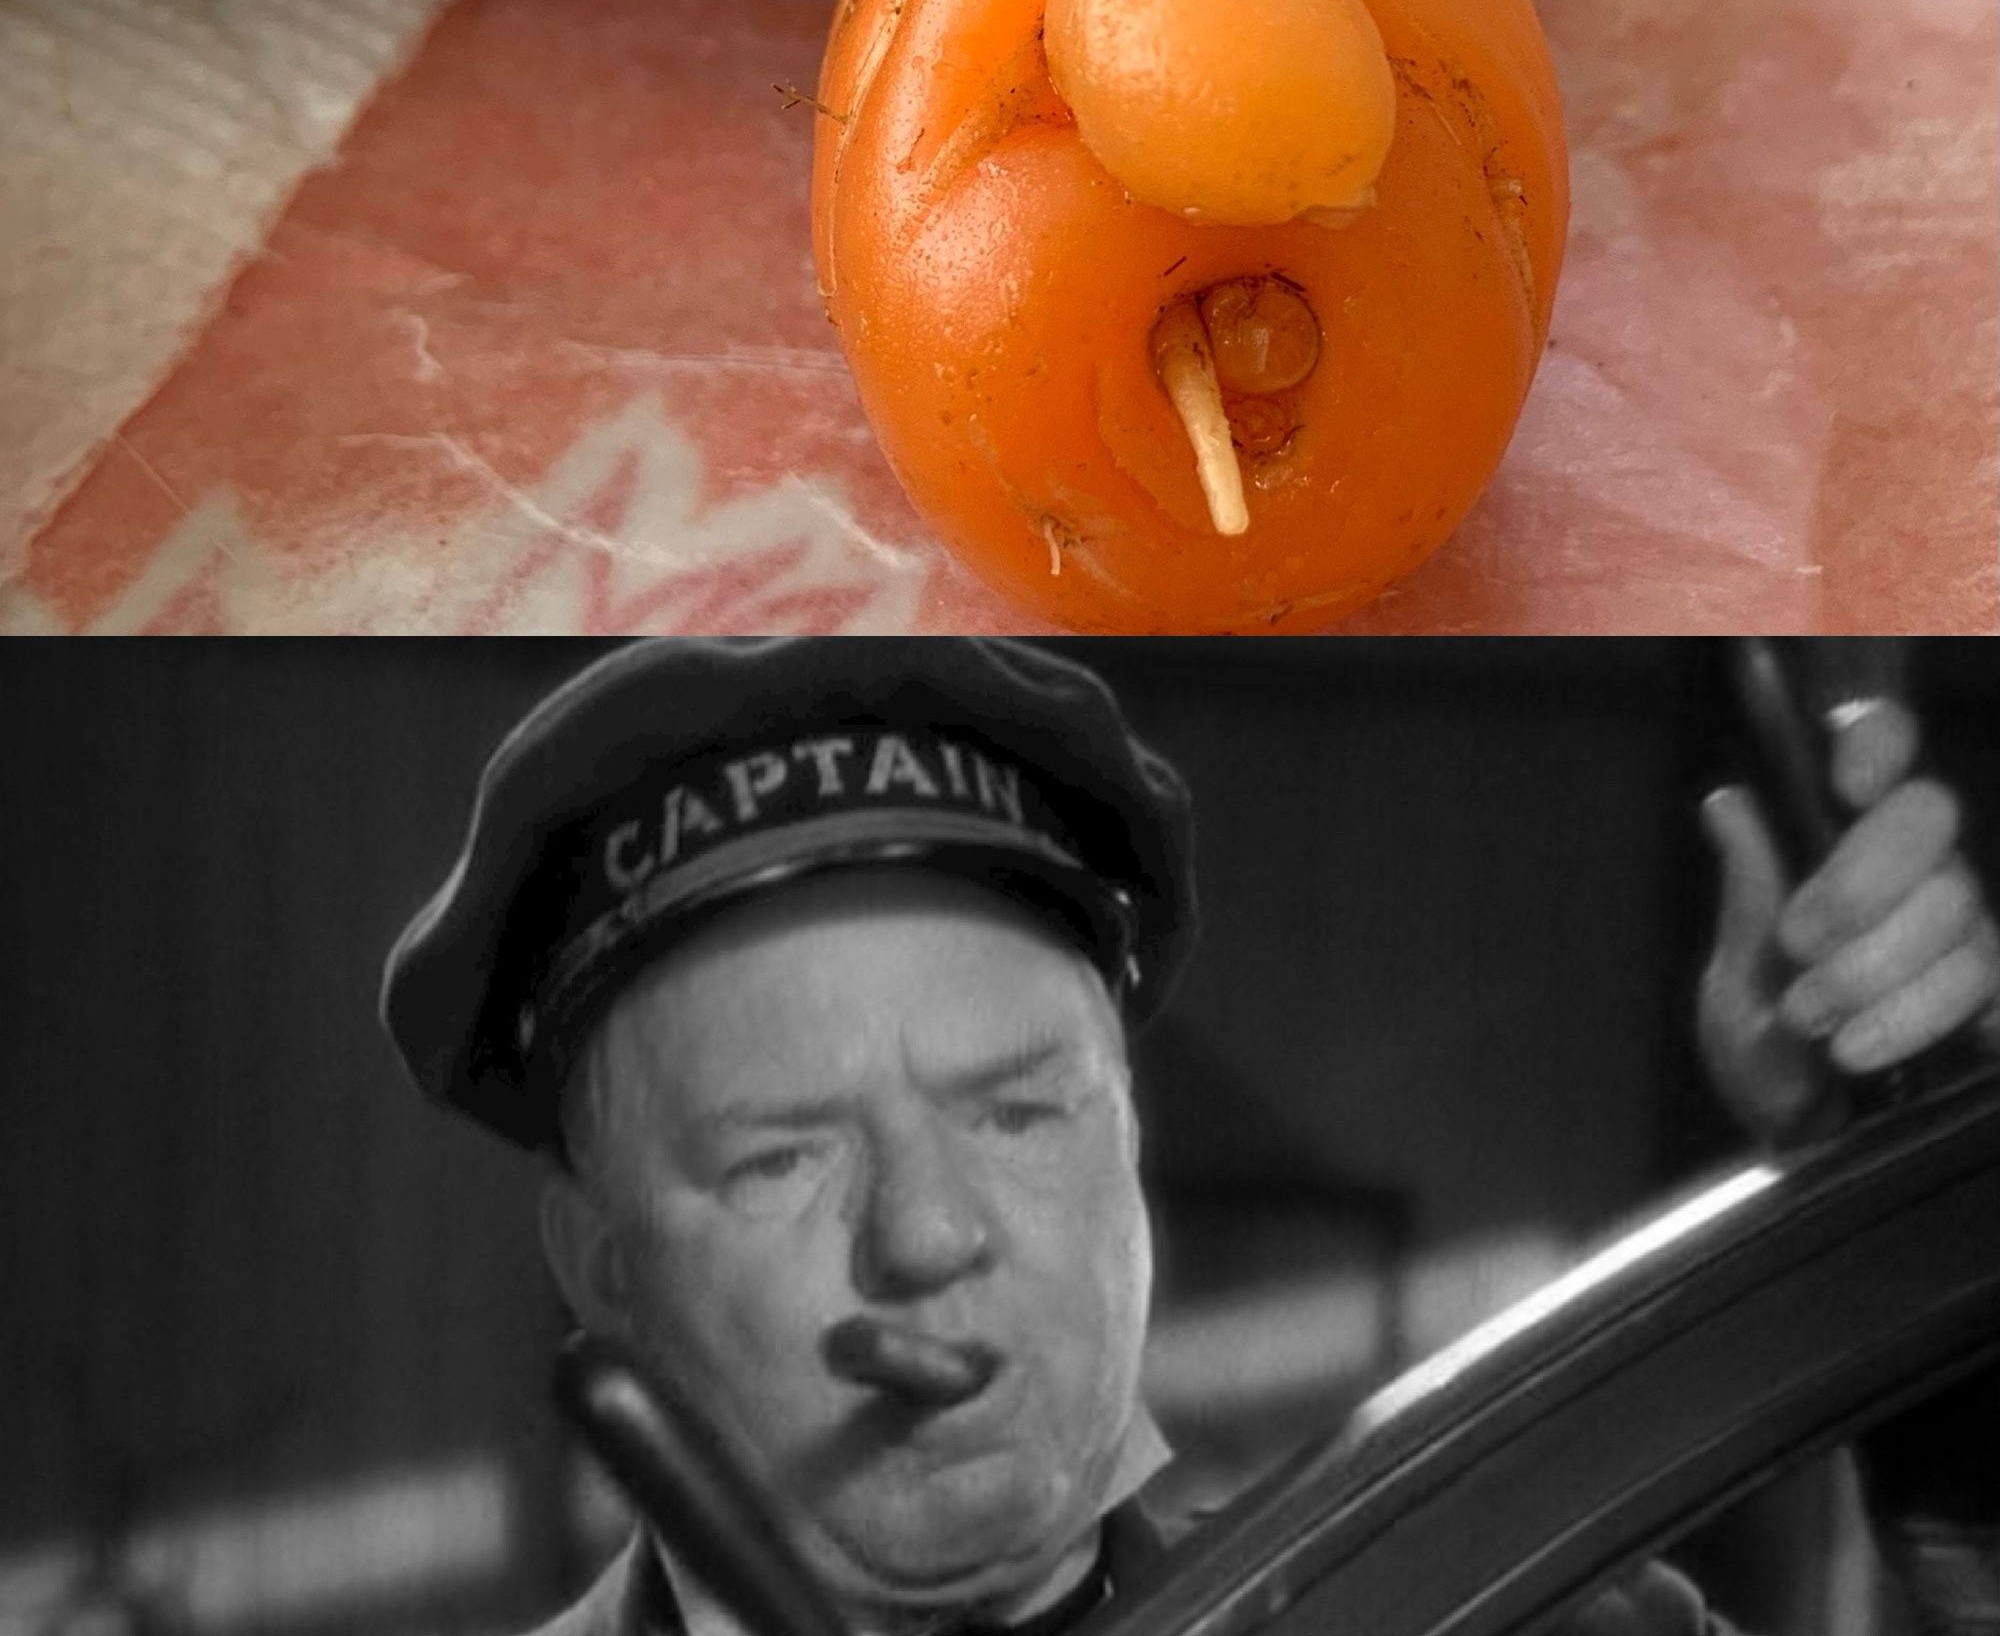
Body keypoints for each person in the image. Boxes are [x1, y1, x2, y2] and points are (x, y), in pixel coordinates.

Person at [379, 640, 2000, 1636]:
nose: (933, 1235)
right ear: (597, 1263)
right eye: (782, 1158)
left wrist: (1929, 1252)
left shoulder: (1543, 1618)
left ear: (1128, 1146)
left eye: (1018, 1110)